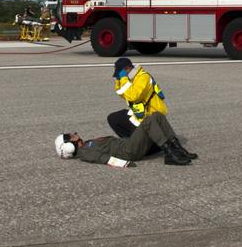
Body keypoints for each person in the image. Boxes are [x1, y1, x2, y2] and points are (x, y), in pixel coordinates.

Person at [53, 111, 195, 166]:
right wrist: (125, 164)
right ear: (68, 145)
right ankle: (169, 154)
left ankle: (177, 148)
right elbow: (103, 159)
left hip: (128, 144)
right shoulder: (85, 152)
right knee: (149, 122)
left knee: (157, 115)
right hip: (129, 150)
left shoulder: (87, 145)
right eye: (70, 136)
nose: (74, 134)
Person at [109, 56, 168, 139]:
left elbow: (133, 96)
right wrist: (118, 81)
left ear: (128, 68)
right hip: (141, 117)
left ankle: (142, 143)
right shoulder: (131, 78)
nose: (121, 76)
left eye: (121, 74)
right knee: (113, 118)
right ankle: (131, 143)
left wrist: (124, 79)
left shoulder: (143, 77)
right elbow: (122, 94)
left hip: (152, 118)